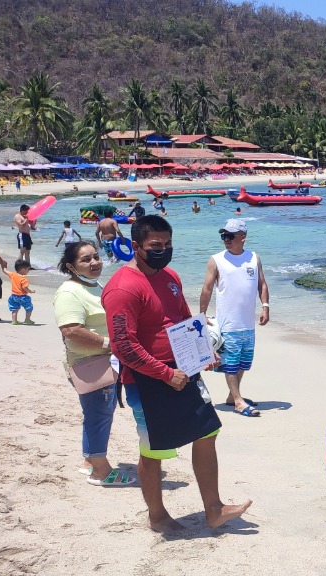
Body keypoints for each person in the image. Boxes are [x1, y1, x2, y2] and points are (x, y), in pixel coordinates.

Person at [102, 215, 250, 533]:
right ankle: (157, 516)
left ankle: (214, 508)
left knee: (207, 434)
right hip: (147, 380)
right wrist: (165, 373)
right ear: (135, 245)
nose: (164, 250)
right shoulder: (122, 288)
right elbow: (123, 346)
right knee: (154, 450)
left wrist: (203, 354)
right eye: (156, 245)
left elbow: (184, 320)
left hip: (185, 371)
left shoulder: (170, 276)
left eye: (168, 244)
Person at [55, 241, 135, 486]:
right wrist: (110, 343)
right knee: (99, 414)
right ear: (71, 266)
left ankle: (89, 461)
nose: (94, 263)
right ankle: (101, 471)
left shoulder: (91, 284)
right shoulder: (69, 292)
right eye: (86, 260)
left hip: (103, 361)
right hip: (88, 364)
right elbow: (70, 329)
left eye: (96, 257)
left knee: (99, 412)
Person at [198, 219, 270, 417]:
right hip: (228, 324)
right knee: (230, 363)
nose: (226, 240)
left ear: (243, 237)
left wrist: (265, 306)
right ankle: (238, 401)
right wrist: (201, 315)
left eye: (230, 236)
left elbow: (262, 284)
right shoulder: (216, 259)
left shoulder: (254, 258)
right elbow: (207, 288)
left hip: (248, 323)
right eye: (224, 236)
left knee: (244, 362)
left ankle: (232, 396)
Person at [7, 259, 36, 325]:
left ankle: (14, 321)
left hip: (13, 296)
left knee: (14, 308)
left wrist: (4, 266)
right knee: (29, 307)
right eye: (28, 269)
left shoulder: (13, 275)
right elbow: (24, 287)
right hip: (22, 297)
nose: (28, 271)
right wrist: (30, 291)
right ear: (23, 270)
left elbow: (6, 271)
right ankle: (27, 319)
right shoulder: (24, 278)